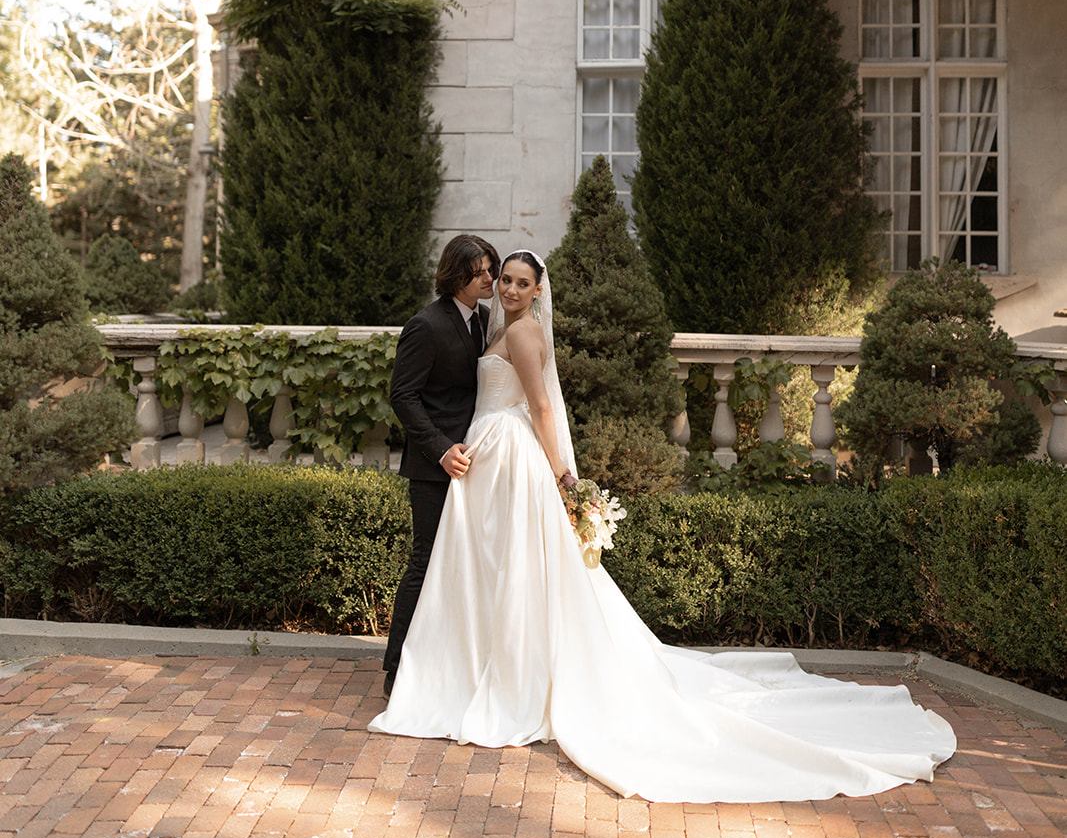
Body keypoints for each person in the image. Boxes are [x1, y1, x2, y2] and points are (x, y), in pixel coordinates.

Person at [371, 251, 956, 803]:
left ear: (539, 289)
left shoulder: (521, 332)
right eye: (504, 280)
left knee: (512, 569)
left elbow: (543, 408)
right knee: (494, 569)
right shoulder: (493, 326)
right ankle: (481, 665)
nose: (510, 288)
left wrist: (563, 476)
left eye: (522, 281)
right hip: (488, 453)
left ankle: (508, 677)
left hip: (511, 454)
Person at [382, 234, 500, 698]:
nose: (490, 278)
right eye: (482, 271)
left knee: (465, 563)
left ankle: (449, 663)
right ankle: (396, 669)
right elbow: (402, 395)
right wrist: (439, 448)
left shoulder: (486, 320)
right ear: (457, 275)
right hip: (434, 467)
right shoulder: (425, 325)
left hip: (476, 463)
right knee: (425, 561)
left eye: (491, 268)